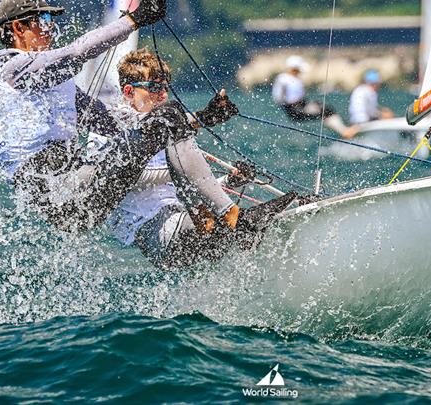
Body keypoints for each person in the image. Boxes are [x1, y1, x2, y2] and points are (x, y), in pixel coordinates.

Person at [0, 0, 286, 235]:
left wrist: (201, 120)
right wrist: (134, 21)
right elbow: (77, 53)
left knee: (168, 116)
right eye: (44, 21)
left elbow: (117, 124)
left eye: (51, 21)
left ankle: (208, 216)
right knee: (166, 116)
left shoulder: (56, 86)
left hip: (81, 188)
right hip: (59, 192)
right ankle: (223, 212)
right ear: (18, 27)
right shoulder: (10, 69)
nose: (50, 29)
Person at [88, 49, 296, 268]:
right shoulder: (104, 130)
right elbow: (119, 179)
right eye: (155, 88)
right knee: (229, 224)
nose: (163, 95)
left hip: (185, 218)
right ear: (129, 92)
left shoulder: (165, 130)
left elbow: (180, 190)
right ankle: (243, 223)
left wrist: (228, 181)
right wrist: (186, 170)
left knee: (229, 225)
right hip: (152, 233)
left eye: (166, 88)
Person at [272, 55, 353, 138]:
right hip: (295, 110)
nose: (300, 72)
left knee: (326, 108)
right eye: (298, 70)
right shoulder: (282, 79)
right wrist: (289, 107)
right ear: (294, 68)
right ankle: (344, 131)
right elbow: (278, 97)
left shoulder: (295, 79)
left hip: (302, 106)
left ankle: (342, 130)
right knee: (325, 111)